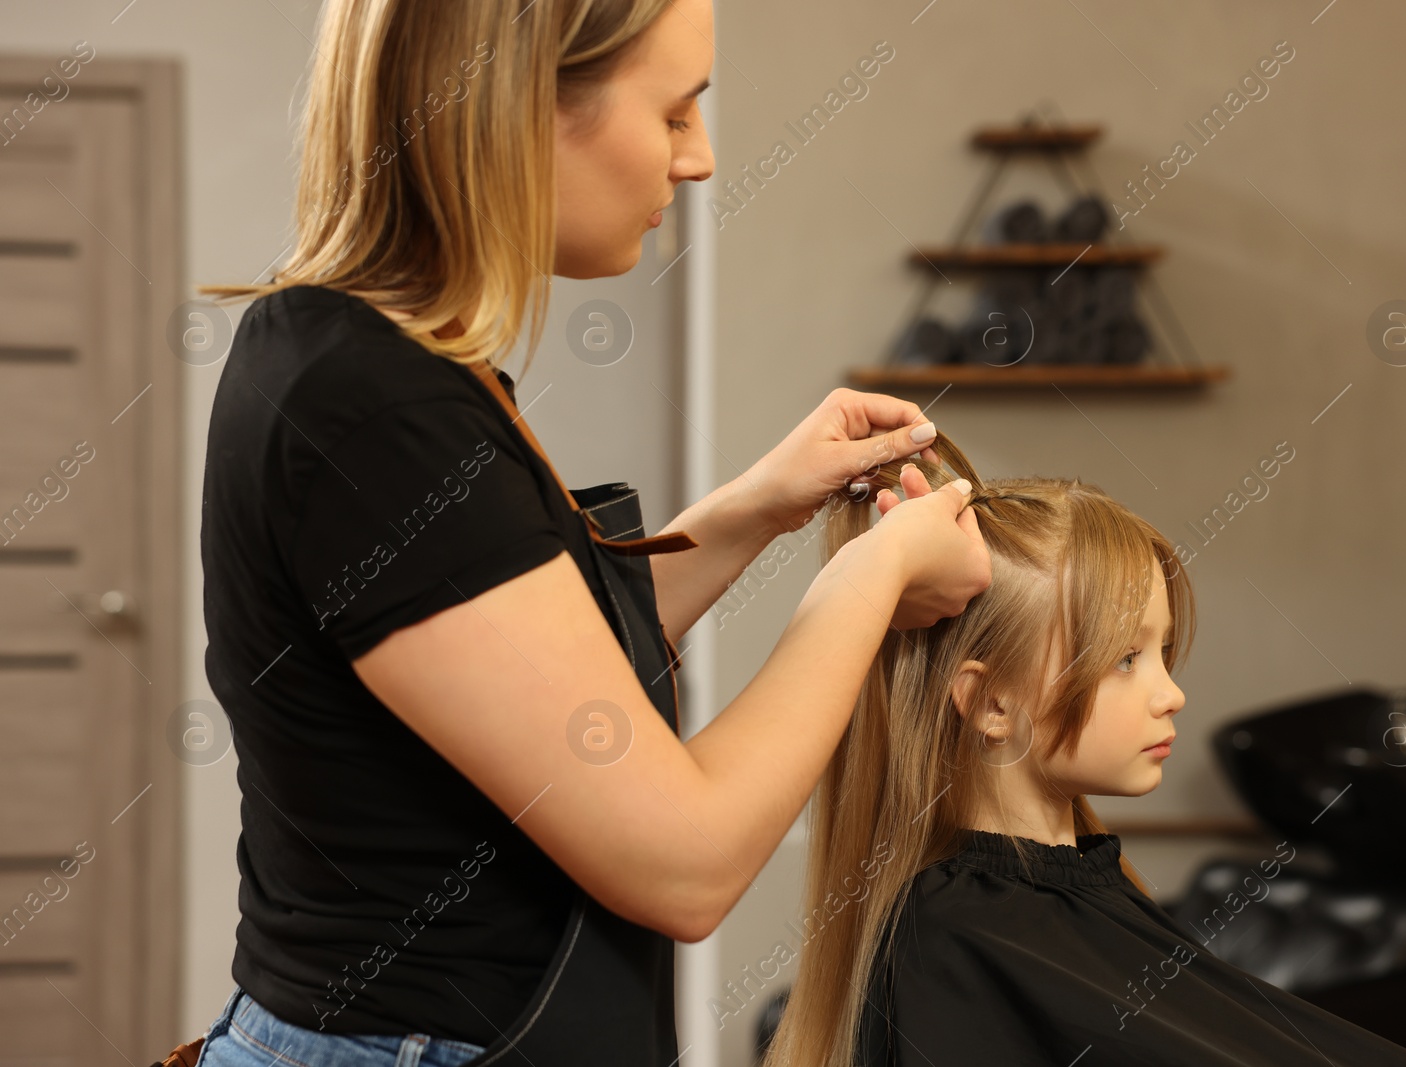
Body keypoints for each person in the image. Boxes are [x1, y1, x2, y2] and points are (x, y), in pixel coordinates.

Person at [179, 1, 991, 1065]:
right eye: (675, 112)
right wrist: (874, 575)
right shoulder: (368, 406)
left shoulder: (374, 361)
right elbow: (683, 863)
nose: (698, 160)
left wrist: (759, 507)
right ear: (516, 107)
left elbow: (550, 686)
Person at [761, 434, 1406, 1067]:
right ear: (994, 703)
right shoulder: (953, 943)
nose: (1171, 693)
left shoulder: (1076, 887)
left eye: (1162, 651)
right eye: (1125, 658)